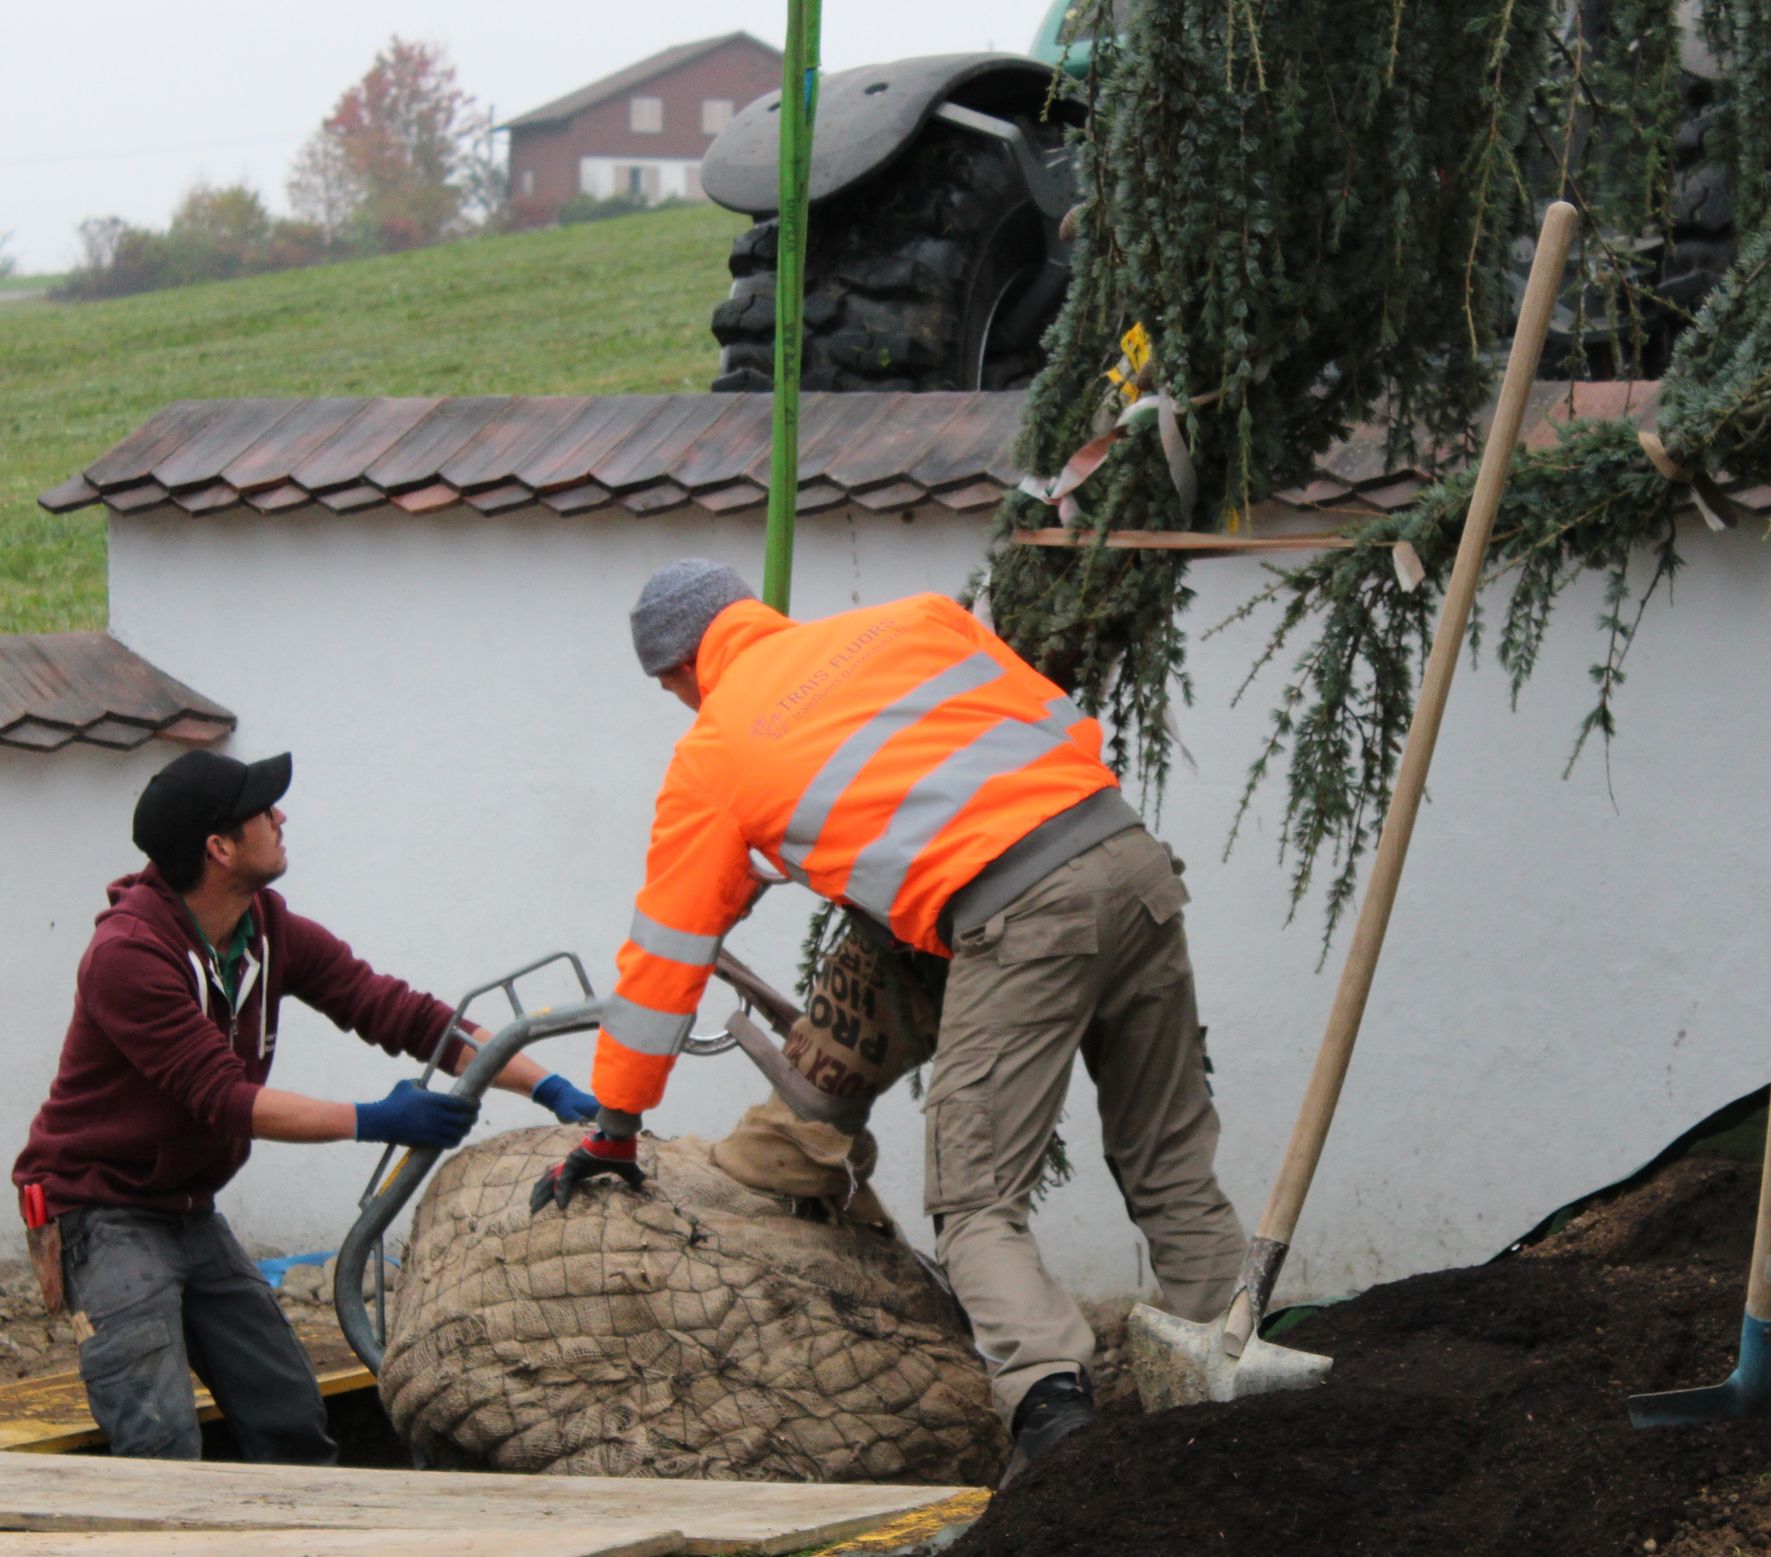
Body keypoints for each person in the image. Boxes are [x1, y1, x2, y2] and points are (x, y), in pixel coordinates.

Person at [532, 559, 1247, 1476]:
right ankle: (1231, 1383)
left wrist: (616, 1128)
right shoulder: (913, 621)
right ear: (751, 612)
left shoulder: (712, 753)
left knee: (976, 1197)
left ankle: (1057, 1422)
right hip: (1129, 856)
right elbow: (1053, 729)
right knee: (1168, 1154)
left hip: (1018, 912)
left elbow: (666, 957)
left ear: (677, 671)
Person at [13, 749, 600, 1462]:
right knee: (159, 1440)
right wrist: (376, 1119)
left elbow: (401, 1013)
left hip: (187, 1205)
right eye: (264, 811)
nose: (281, 815)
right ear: (219, 847)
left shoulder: (264, 924)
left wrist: (543, 1083)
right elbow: (226, 1099)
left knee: (288, 1415)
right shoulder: (128, 956)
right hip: (103, 1212)